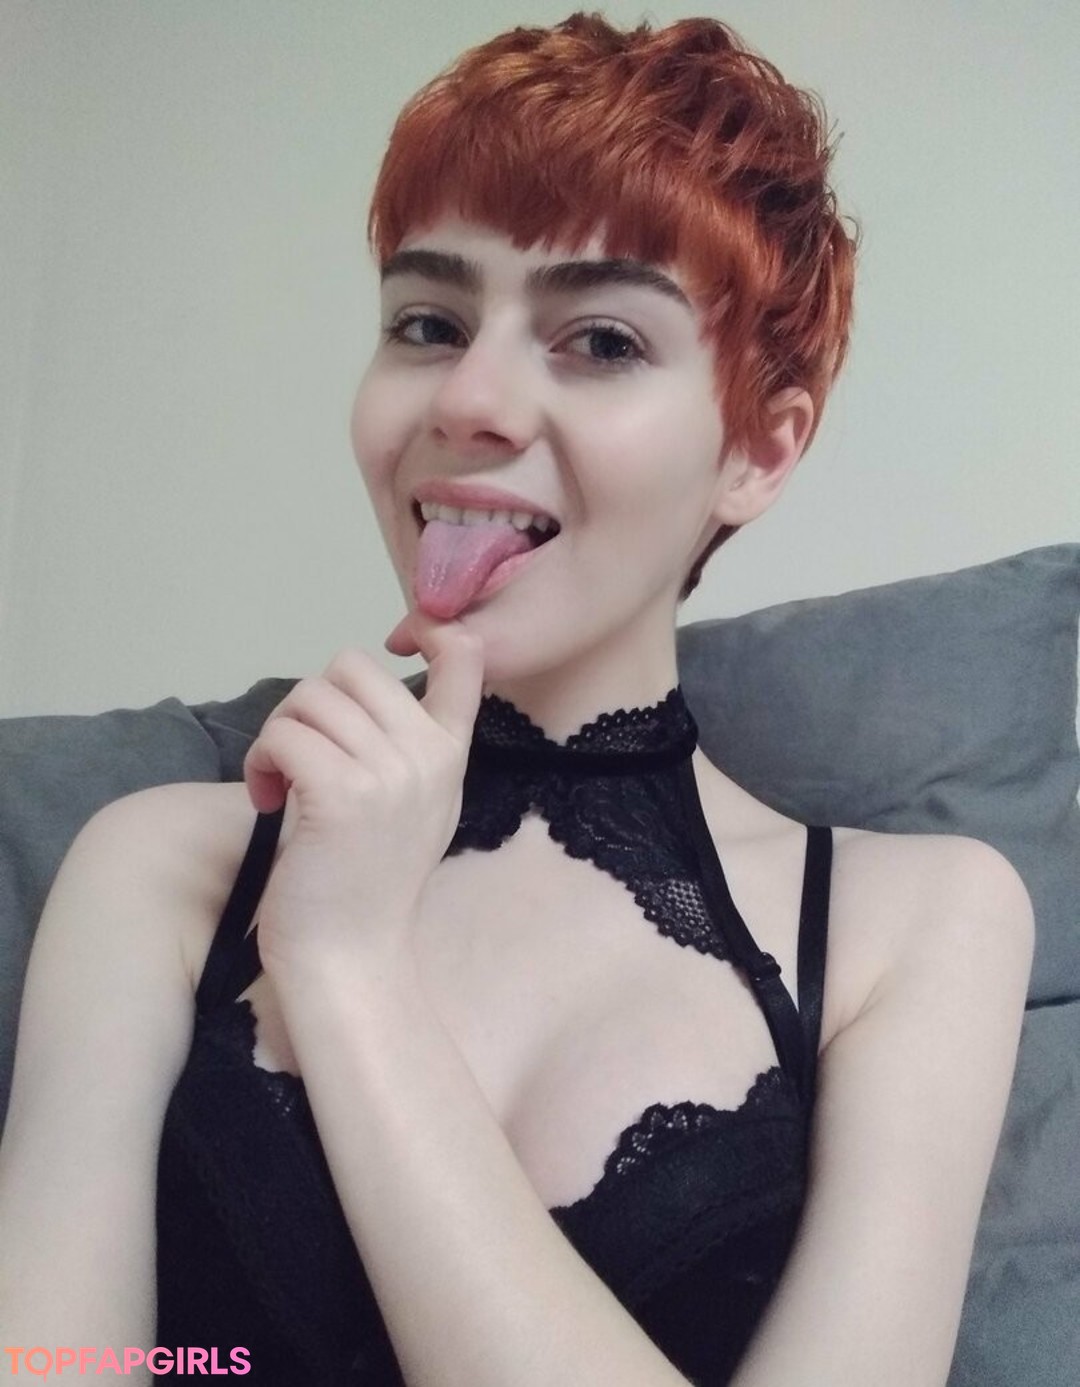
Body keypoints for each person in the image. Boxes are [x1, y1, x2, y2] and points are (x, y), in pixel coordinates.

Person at [0, 12, 1033, 1386]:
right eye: (427, 324)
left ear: (758, 448)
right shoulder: (157, 864)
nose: (469, 398)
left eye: (600, 340)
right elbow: (53, 1364)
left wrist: (350, 969)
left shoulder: (921, 925)